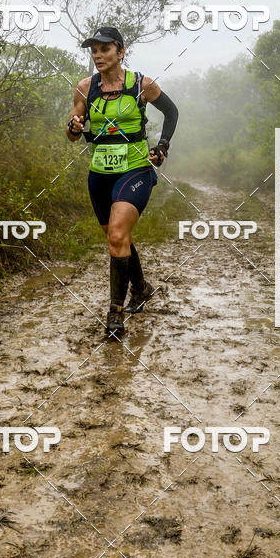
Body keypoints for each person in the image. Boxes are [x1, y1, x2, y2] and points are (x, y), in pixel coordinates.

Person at [66, 26, 179, 337]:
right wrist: (74, 127)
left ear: (120, 51)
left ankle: (115, 313)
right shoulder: (85, 88)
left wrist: (162, 146)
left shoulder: (141, 85)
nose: (98, 56)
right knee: (118, 240)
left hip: (136, 169)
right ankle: (141, 288)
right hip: (99, 174)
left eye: (104, 49)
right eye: (94, 51)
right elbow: (73, 133)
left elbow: (172, 112)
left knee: (117, 234)